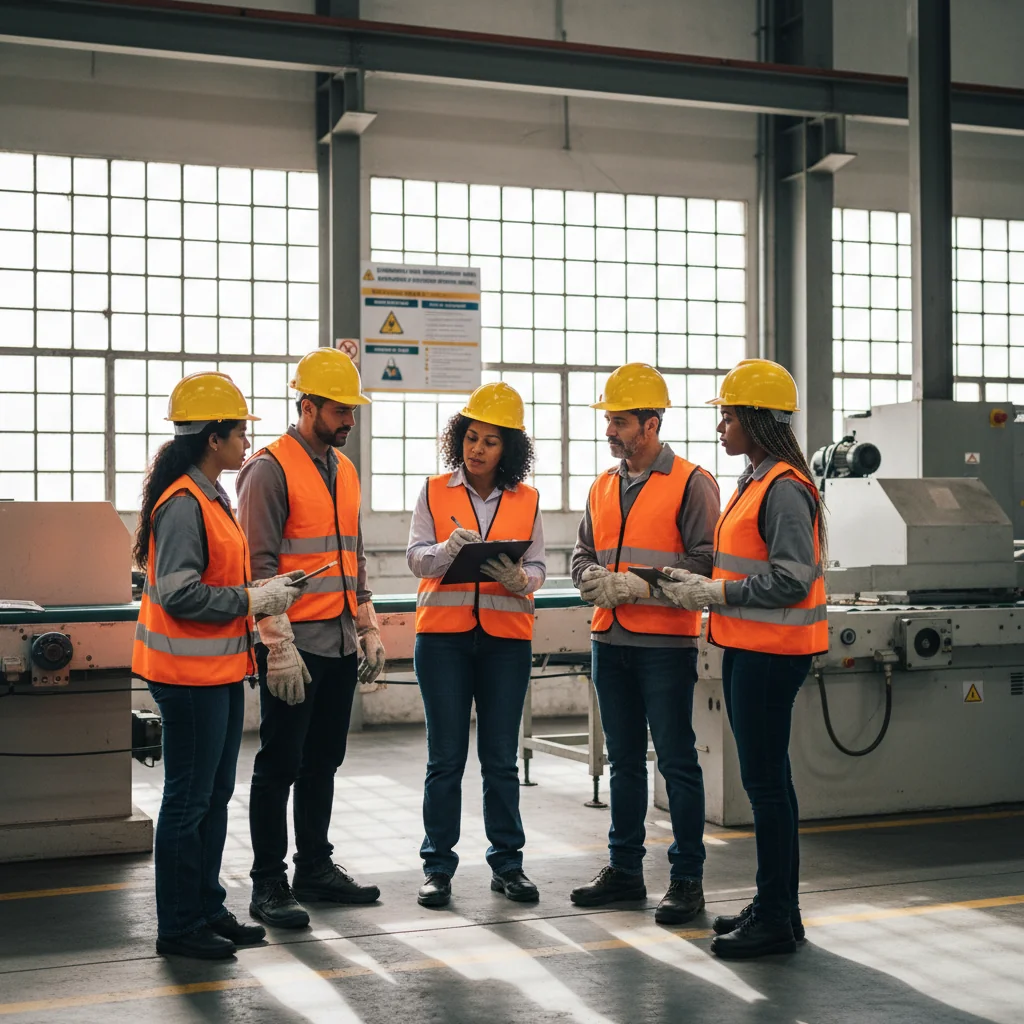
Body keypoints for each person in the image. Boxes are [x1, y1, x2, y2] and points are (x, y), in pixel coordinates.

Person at [653, 358, 828, 959]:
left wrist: (718, 594)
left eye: (728, 416)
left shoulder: (782, 487)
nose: (720, 427)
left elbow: (792, 579)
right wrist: (698, 583)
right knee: (769, 783)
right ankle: (779, 906)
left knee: (766, 787)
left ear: (757, 419)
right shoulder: (756, 481)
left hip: (770, 655)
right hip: (749, 648)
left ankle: (776, 916)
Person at [132, 371, 303, 960]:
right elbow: (179, 593)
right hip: (187, 677)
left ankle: (206, 907)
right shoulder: (183, 503)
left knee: (212, 793)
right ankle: (178, 927)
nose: (245, 442)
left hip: (221, 673)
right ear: (213, 438)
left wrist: (264, 589)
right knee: (188, 800)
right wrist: (254, 601)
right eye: (238, 432)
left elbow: (218, 579)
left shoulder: (212, 495)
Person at [238, 348, 385, 929]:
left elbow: (354, 555)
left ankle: (314, 867)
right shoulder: (268, 468)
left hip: (340, 642)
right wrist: (276, 644)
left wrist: (368, 626)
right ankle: (268, 882)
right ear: (306, 405)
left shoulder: (343, 470)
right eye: (338, 410)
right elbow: (258, 564)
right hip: (292, 646)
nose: (348, 419)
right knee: (280, 762)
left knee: (324, 759)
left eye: (352, 409)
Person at [569, 363, 720, 924]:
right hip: (609, 639)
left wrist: (642, 581)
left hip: (665, 644)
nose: (610, 430)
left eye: (620, 421)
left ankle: (687, 880)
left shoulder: (692, 482)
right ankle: (625, 871)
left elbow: (707, 559)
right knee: (624, 762)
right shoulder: (603, 484)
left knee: (677, 762)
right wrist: (590, 577)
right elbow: (584, 550)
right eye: (609, 419)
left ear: (651, 424)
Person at [407, 381, 546, 908]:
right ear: (458, 439)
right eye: (471, 437)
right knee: (444, 759)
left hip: (505, 642)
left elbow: (537, 564)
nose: (478, 448)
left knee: (500, 761)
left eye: (490, 440)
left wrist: (523, 581)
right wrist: (444, 550)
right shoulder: (434, 490)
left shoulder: (526, 498)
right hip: (442, 641)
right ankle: (437, 868)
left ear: (508, 447)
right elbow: (416, 556)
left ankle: (508, 864)